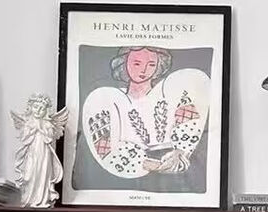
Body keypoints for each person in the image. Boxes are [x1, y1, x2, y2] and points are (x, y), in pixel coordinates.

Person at [82, 46, 210, 179]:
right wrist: (154, 165)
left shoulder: (173, 89)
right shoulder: (109, 99)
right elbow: (106, 152)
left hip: (179, 169)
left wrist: (181, 153)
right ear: (123, 63)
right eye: (137, 64)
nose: (143, 70)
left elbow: (191, 122)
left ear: (158, 66)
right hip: (130, 175)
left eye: (151, 64)